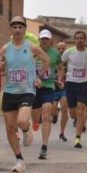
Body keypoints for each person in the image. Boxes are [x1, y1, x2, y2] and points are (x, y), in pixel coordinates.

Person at [0, 16, 49, 172]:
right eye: (14, 26)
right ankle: (19, 159)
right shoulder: (4, 49)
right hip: (10, 92)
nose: (17, 29)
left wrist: (39, 77)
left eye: (20, 26)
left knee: (21, 121)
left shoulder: (32, 47)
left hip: (27, 91)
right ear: (11, 29)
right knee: (10, 129)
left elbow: (46, 60)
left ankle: (26, 128)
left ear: (24, 29)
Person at [62, 31, 87, 149]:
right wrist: (61, 76)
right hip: (71, 84)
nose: (79, 40)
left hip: (83, 85)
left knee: (80, 110)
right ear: (74, 40)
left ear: (85, 39)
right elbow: (60, 64)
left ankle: (77, 138)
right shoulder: (68, 52)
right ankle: (78, 121)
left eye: (81, 38)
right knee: (73, 114)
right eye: (77, 38)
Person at [31, 29, 63, 159]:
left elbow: (61, 67)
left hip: (48, 87)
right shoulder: (34, 51)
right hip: (34, 87)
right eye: (42, 39)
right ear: (39, 40)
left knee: (46, 115)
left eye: (46, 39)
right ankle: (34, 123)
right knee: (35, 117)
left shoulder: (55, 53)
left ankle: (44, 146)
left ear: (50, 40)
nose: (44, 41)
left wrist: (60, 79)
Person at [53, 41, 69, 142]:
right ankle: (55, 114)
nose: (61, 51)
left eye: (63, 48)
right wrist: (56, 81)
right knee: (52, 110)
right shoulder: (52, 60)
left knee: (64, 108)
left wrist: (65, 82)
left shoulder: (69, 61)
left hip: (65, 88)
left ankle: (62, 133)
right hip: (54, 87)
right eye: (59, 49)